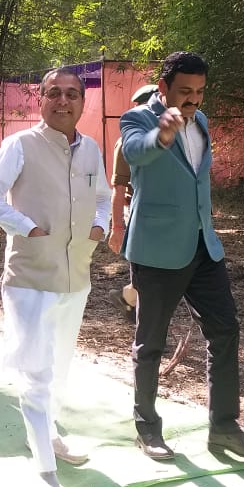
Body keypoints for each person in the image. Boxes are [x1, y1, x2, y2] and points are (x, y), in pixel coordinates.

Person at [120, 51, 244, 461]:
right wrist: (162, 135)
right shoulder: (137, 119)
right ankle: (147, 429)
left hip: (204, 246)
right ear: (163, 86)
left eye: (200, 91)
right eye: (185, 90)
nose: (193, 99)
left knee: (225, 331)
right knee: (150, 344)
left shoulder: (201, 120)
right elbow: (135, 153)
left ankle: (224, 428)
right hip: (157, 251)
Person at [0, 67, 111, 487]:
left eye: (72, 94)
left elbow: (103, 197)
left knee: (61, 367)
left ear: (83, 102)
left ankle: (50, 434)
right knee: (36, 371)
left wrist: (100, 227)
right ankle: (44, 467)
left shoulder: (91, 149)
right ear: (41, 99)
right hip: (30, 277)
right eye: (54, 93)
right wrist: (26, 227)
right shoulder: (20, 145)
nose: (63, 101)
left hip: (76, 276)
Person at [107, 83, 158, 321]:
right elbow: (118, 188)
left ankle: (128, 298)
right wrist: (117, 226)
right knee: (145, 269)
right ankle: (134, 304)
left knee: (153, 270)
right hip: (136, 211)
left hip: (163, 214)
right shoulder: (126, 142)